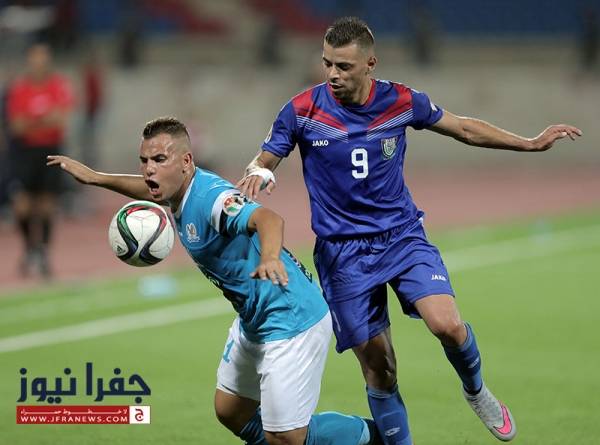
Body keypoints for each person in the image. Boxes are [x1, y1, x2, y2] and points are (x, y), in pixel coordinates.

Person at [237, 17, 583, 445]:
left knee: (447, 325)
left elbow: (463, 128)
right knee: (379, 369)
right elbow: (265, 158)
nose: (333, 74)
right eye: (327, 64)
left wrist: (528, 142)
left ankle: (476, 391)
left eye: (344, 66)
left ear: (370, 64)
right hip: (342, 254)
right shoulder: (303, 110)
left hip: (400, 236)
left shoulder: (400, 100)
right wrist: (260, 172)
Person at [47, 116, 381, 445]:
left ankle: (374, 436)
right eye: (144, 160)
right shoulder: (177, 191)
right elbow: (148, 190)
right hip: (255, 318)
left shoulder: (213, 199)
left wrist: (269, 258)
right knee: (231, 410)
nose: (149, 169)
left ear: (186, 161)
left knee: (286, 435)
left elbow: (268, 219)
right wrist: (95, 178)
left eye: (159, 159)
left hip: (291, 317)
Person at [6, 42, 73, 278]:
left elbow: (61, 120)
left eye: (43, 59)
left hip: (51, 151)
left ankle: (43, 252)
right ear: (29, 61)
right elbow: (17, 126)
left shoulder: (58, 86)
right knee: (22, 206)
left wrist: (32, 119)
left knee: (47, 205)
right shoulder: (19, 89)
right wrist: (45, 118)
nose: (39, 63)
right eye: (35, 59)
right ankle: (29, 248)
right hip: (25, 153)